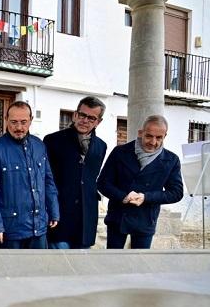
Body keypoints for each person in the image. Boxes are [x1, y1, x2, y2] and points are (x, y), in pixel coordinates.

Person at [0, 101, 59, 249]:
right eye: (14, 122)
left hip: (39, 227)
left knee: (40, 270)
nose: (19, 127)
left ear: (30, 121)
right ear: (5, 120)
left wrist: (54, 210)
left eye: (23, 122)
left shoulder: (39, 146)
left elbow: (48, 181)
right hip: (10, 230)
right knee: (10, 272)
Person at [97, 115, 183, 249]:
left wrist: (146, 197)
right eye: (149, 136)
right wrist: (123, 197)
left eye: (159, 138)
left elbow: (176, 193)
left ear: (164, 136)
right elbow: (102, 183)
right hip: (118, 216)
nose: (153, 142)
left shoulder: (171, 160)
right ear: (140, 133)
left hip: (146, 219)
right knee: (113, 262)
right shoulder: (120, 152)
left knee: (140, 264)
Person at [43, 96, 107, 249]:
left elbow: (91, 178)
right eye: (82, 115)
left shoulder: (101, 146)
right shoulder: (53, 140)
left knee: (81, 268)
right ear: (75, 115)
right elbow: (45, 179)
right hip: (59, 216)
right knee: (59, 267)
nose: (85, 120)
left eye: (91, 118)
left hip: (85, 220)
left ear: (99, 122)